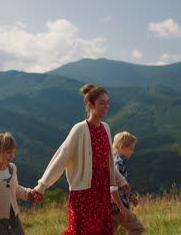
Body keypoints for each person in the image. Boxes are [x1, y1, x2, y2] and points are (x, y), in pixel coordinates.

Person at [31, 84, 130, 235]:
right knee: (80, 231)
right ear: (90, 105)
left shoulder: (106, 128)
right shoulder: (80, 129)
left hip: (102, 191)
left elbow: (108, 163)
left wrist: (122, 181)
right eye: (101, 103)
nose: (106, 106)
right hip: (84, 193)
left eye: (107, 102)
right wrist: (42, 186)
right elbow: (61, 158)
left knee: (100, 231)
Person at [110, 131, 145, 235]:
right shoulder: (118, 164)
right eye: (130, 149)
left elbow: (120, 187)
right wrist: (122, 208)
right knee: (137, 229)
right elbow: (113, 187)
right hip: (117, 207)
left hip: (111, 206)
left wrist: (130, 197)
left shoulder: (111, 160)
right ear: (121, 147)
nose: (132, 152)